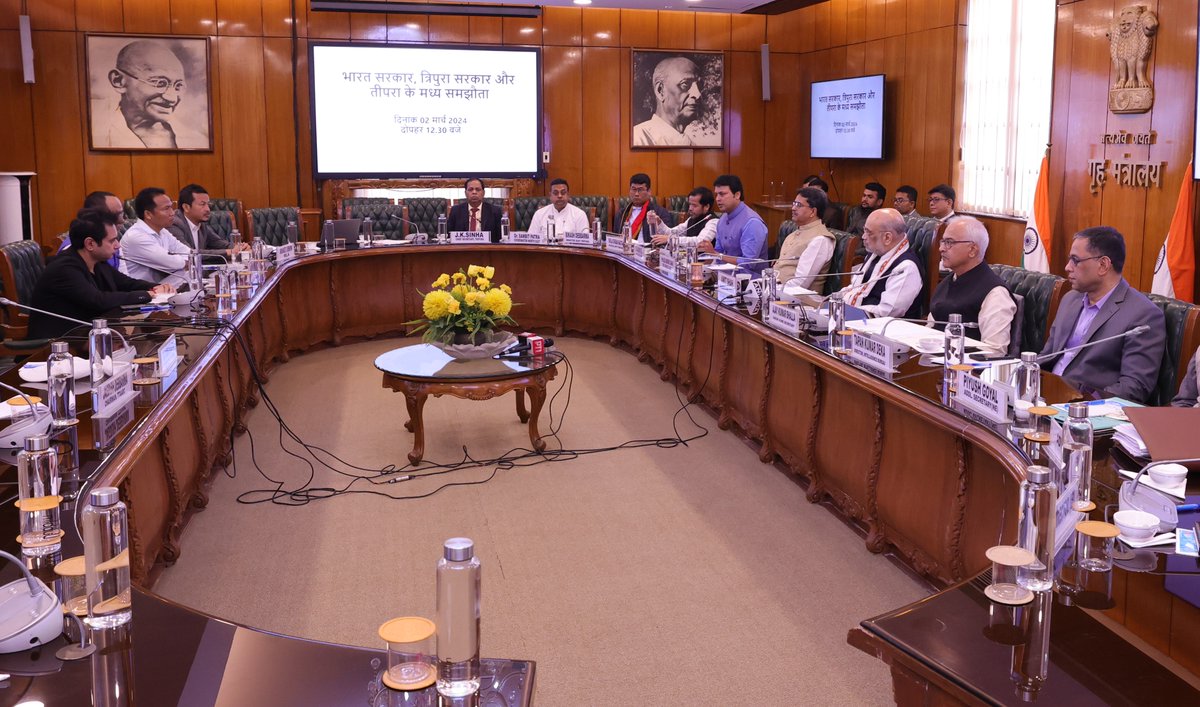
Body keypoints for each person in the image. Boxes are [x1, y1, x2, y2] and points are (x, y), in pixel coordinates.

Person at [1040, 226, 1165, 403]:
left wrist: (1083, 404)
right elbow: (1047, 356)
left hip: (1085, 410)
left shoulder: (1143, 315)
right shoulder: (1070, 299)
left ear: (1103, 265)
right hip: (1044, 395)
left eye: (1075, 260)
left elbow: (1134, 387)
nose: (1067, 267)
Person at [28, 207, 171, 339]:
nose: (118, 245)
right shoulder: (64, 268)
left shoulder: (97, 262)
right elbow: (98, 300)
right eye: (112, 240)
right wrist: (147, 295)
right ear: (90, 244)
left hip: (89, 334)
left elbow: (126, 283)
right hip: (57, 343)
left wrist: (156, 287)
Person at [92, 39, 206, 149]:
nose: (172, 98)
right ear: (119, 81)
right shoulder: (93, 121)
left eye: (178, 86)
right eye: (160, 83)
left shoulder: (194, 141)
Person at [927, 217, 1016, 355]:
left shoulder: (995, 293)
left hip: (965, 370)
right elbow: (932, 326)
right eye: (942, 241)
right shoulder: (948, 281)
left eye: (949, 242)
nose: (941, 248)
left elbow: (994, 351)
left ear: (973, 250)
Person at [838, 208, 923, 318]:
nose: (863, 237)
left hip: (884, 330)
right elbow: (855, 288)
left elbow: (887, 312)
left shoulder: (906, 267)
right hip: (857, 321)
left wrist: (847, 312)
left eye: (868, 232)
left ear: (887, 237)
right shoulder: (876, 253)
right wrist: (833, 302)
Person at [120, 187, 193, 284]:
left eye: (172, 207)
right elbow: (172, 263)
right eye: (166, 209)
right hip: (141, 292)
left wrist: (185, 261)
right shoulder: (136, 237)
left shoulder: (162, 231)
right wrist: (185, 262)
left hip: (161, 288)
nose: (172, 213)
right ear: (148, 214)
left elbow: (190, 254)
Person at [697, 174, 768, 274]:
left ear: (737, 195)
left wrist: (716, 255)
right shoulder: (722, 219)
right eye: (716, 194)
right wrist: (706, 255)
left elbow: (748, 263)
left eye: (722, 194)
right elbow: (718, 251)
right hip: (724, 278)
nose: (717, 199)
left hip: (749, 283)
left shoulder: (752, 223)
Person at [166, 184, 248, 263]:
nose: (208, 209)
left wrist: (241, 248)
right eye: (202, 204)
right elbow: (188, 253)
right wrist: (229, 252)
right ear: (186, 207)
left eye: (208, 204)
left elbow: (219, 243)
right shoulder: (174, 224)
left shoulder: (201, 223)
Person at [633, 57, 702, 147]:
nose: (698, 94)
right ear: (660, 90)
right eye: (685, 84)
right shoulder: (637, 138)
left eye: (700, 86)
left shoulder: (693, 146)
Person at [776, 187, 835, 291]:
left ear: (813, 211)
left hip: (801, 302)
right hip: (777, 292)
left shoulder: (820, 239)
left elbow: (800, 283)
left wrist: (773, 290)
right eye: (794, 203)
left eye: (799, 205)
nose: (793, 208)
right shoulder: (794, 233)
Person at [57, 191, 126, 269]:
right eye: (115, 215)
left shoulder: (113, 243)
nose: (122, 220)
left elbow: (122, 278)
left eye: (121, 213)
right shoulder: (74, 250)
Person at [649, 186, 718, 247]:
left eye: (694, 205)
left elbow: (700, 242)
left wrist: (670, 239)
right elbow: (672, 232)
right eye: (689, 204)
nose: (690, 208)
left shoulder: (713, 222)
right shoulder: (692, 219)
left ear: (706, 207)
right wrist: (659, 222)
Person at [617, 173, 674, 243]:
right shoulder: (622, 213)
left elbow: (666, 238)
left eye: (640, 190)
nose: (636, 194)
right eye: (633, 189)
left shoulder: (660, 213)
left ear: (649, 192)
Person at [447, 178, 503, 243]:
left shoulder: (495, 211)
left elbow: (500, 237)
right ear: (465, 193)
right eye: (470, 189)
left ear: (483, 193)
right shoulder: (456, 211)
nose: (474, 192)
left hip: (487, 250)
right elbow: (449, 235)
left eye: (478, 189)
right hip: (462, 249)